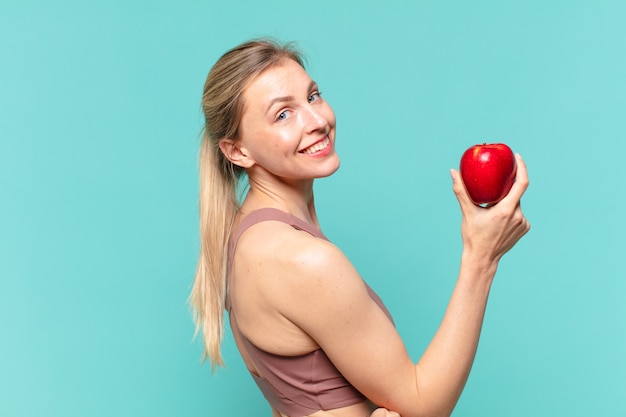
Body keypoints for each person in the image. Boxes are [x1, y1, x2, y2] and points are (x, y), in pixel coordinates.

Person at [189, 38, 530, 417]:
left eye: (313, 96)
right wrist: (481, 258)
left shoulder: (246, 236)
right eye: (283, 115)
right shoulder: (302, 258)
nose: (317, 121)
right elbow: (423, 407)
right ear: (237, 151)